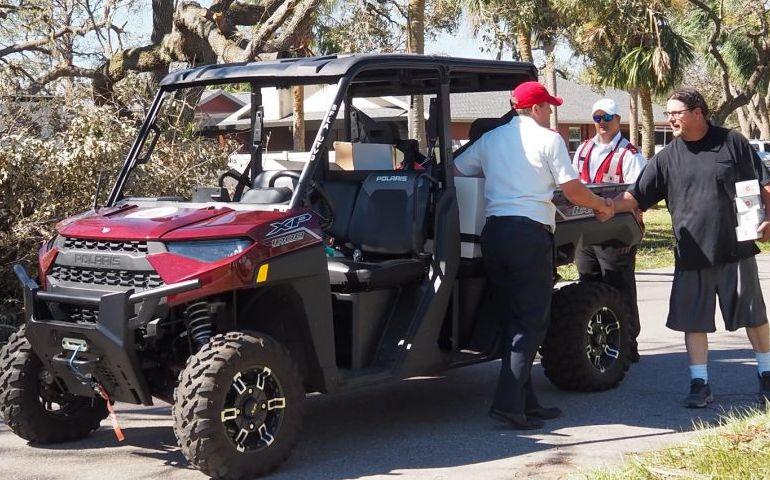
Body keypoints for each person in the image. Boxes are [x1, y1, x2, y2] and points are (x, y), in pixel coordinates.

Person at [454, 81, 615, 429]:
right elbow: (572, 190)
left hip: (494, 233)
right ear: (537, 108)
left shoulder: (491, 139)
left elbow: (457, 170)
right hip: (529, 234)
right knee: (531, 321)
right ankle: (509, 404)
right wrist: (602, 204)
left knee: (514, 317)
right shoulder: (549, 139)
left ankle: (528, 402)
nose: (550, 112)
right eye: (548, 106)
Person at [613, 88, 770, 408]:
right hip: (691, 254)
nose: (670, 119)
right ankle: (700, 383)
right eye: (667, 113)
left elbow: (763, 183)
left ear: (698, 112)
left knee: (753, 316)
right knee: (693, 321)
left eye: (676, 113)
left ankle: (766, 374)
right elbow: (636, 196)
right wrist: (603, 206)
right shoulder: (667, 157)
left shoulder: (732, 142)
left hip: (735, 248)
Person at [572, 98, 647, 362]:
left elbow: (639, 196)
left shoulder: (630, 154)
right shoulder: (582, 149)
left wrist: (630, 235)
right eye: (597, 118)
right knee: (588, 285)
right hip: (584, 231)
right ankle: (596, 341)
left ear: (618, 120)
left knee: (619, 287)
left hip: (617, 233)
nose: (602, 123)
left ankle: (628, 344)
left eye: (607, 118)